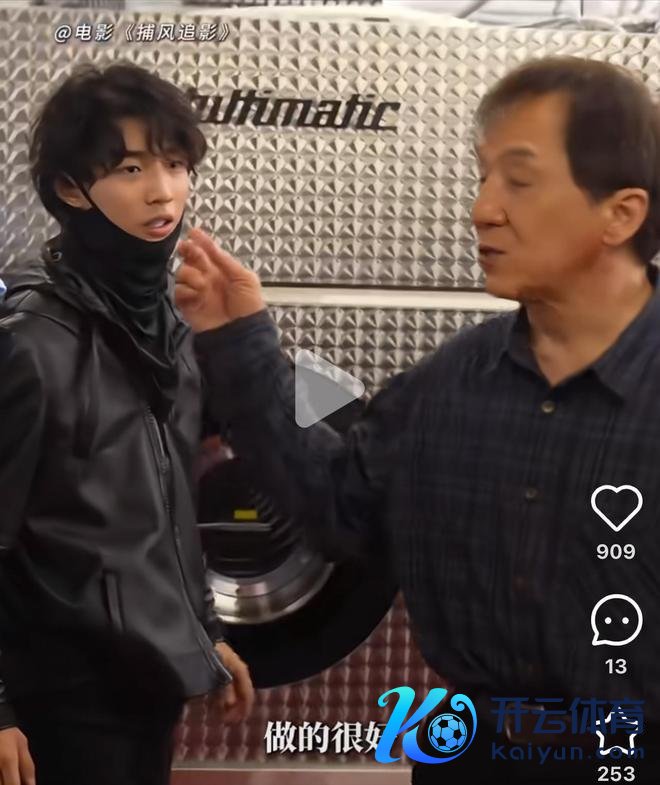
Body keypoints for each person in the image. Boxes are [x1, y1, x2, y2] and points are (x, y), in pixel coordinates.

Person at [174, 56, 660, 784]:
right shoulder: (450, 381)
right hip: (475, 753)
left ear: (621, 213)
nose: (483, 209)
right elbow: (337, 509)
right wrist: (239, 340)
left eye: (519, 180)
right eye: (483, 176)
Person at [0, 61, 254, 785]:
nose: (162, 190)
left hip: (149, 682)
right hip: (61, 697)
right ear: (70, 188)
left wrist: (202, 632)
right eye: (131, 168)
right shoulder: (28, 343)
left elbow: (165, 509)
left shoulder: (171, 325)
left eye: (175, 164)